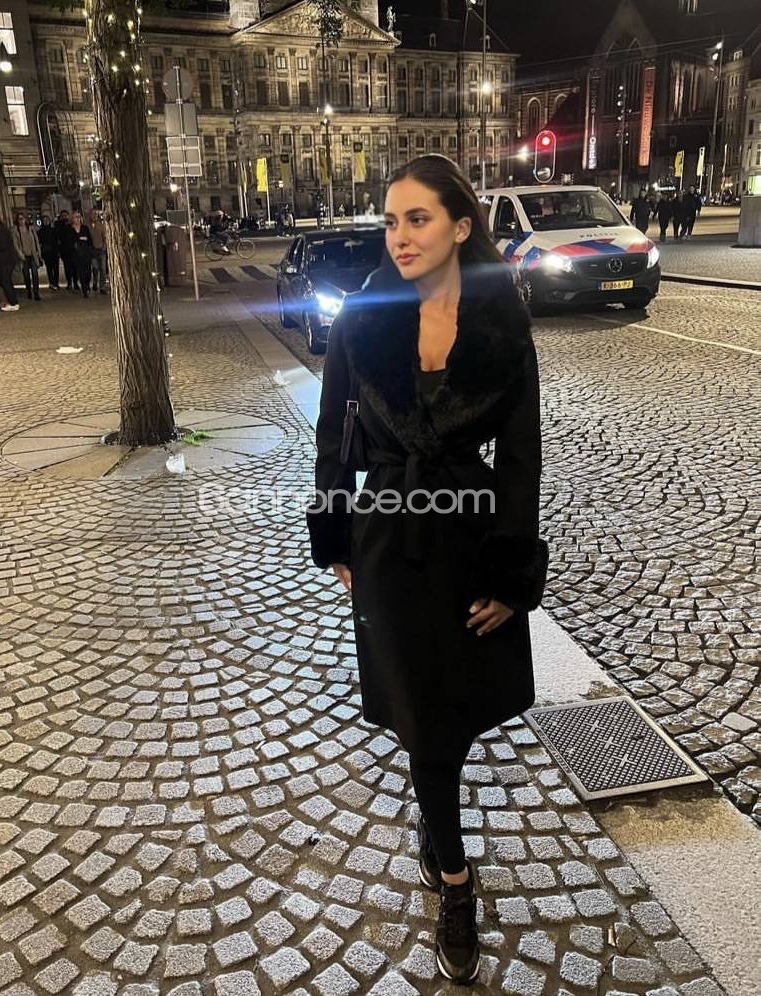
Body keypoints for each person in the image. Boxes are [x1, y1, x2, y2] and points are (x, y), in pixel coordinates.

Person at [306, 154, 547, 985]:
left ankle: (435, 827)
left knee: (458, 714)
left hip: (470, 542)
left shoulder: (501, 324)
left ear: (460, 225)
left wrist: (511, 575)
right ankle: (455, 882)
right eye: (390, 221)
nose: (399, 236)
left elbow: (521, 459)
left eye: (417, 219)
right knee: (424, 725)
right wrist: (336, 535)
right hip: (386, 543)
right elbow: (332, 434)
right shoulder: (363, 316)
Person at [12, 212, 43, 301]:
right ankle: (29, 290)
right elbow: (15, 244)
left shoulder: (31, 229)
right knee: (26, 275)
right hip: (23, 255)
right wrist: (20, 254)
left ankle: (36, 292)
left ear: (25, 219)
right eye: (19, 219)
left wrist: (38, 253)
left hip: (32, 254)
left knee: (35, 274)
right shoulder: (15, 231)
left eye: (22, 218)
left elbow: (36, 241)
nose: (21, 221)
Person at [69, 211, 93, 297]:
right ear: (72, 219)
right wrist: (81, 239)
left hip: (86, 254)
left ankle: (87, 285)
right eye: (76, 217)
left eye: (79, 217)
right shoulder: (70, 230)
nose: (78, 219)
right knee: (81, 272)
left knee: (88, 272)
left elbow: (89, 240)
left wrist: (81, 240)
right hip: (77, 255)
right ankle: (84, 290)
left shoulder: (85, 228)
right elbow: (70, 242)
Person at [54, 209, 78, 290]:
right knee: (67, 268)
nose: (64, 217)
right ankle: (69, 283)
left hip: (73, 249)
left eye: (66, 216)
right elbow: (57, 237)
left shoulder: (72, 224)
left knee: (75, 267)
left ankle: (75, 283)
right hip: (64, 250)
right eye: (63, 216)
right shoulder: (58, 225)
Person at [38, 214, 60, 290]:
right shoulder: (40, 231)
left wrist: (58, 251)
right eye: (44, 220)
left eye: (47, 220)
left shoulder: (54, 230)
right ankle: (51, 282)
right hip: (46, 252)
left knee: (56, 268)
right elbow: (39, 242)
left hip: (54, 251)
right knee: (49, 268)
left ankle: (56, 283)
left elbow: (57, 241)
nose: (46, 222)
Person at [88, 209, 108, 294]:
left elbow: (105, 237)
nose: (94, 216)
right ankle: (95, 283)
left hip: (101, 249)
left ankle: (102, 287)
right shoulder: (87, 226)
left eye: (95, 214)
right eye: (92, 214)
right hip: (92, 250)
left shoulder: (101, 225)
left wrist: (104, 246)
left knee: (103, 269)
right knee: (95, 268)